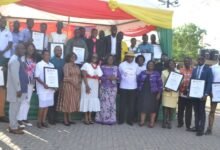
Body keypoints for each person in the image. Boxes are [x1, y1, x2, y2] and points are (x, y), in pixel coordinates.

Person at [7, 43, 28, 134]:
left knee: (16, 108)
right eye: (21, 49)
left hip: (20, 89)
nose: (24, 50)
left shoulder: (19, 59)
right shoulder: (14, 60)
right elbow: (15, 77)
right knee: (14, 108)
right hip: (16, 90)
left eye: (24, 48)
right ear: (16, 49)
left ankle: (14, 124)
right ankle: (13, 127)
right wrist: (18, 89)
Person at [190, 56, 212, 136]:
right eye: (198, 59)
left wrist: (206, 94)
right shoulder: (195, 69)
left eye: (202, 59)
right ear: (197, 60)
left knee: (201, 112)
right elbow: (192, 80)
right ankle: (196, 126)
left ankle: (201, 129)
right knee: (196, 111)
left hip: (202, 94)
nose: (200, 60)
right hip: (194, 94)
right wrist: (190, 92)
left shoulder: (208, 69)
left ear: (204, 60)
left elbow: (209, 82)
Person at [57, 53, 81, 126]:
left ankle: (70, 119)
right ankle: (65, 119)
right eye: (72, 57)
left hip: (75, 88)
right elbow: (66, 77)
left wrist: (79, 82)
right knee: (67, 102)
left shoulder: (77, 66)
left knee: (71, 103)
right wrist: (75, 84)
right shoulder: (66, 65)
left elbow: (79, 75)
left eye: (74, 57)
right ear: (69, 58)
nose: (73, 58)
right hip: (68, 86)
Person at [17, 43, 37, 128]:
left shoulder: (33, 60)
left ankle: (24, 118)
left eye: (32, 49)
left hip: (31, 83)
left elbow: (34, 71)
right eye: (29, 49)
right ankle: (18, 119)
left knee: (27, 101)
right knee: (21, 100)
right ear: (26, 49)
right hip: (23, 83)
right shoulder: (21, 59)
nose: (31, 50)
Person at [137, 60, 163, 128]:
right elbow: (138, 81)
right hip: (144, 93)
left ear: (154, 66)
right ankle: (142, 121)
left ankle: (152, 122)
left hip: (153, 93)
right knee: (143, 107)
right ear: (147, 65)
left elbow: (160, 84)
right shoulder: (142, 73)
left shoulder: (156, 73)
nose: (150, 65)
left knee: (153, 108)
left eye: (152, 64)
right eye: (149, 64)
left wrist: (159, 93)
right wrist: (139, 90)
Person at [95, 55, 119, 125]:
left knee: (111, 103)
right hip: (104, 87)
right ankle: (102, 119)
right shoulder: (102, 67)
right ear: (106, 59)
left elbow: (119, 77)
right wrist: (108, 78)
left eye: (112, 59)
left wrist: (115, 78)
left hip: (113, 88)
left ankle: (111, 119)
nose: (110, 60)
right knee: (103, 103)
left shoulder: (116, 68)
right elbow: (99, 77)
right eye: (109, 59)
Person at [80, 53, 103, 125]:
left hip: (95, 86)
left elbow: (99, 76)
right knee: (86, 99)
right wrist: (87, 86)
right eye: (93, 56)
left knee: (92, 100)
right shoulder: (86, 65)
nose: (94, 58)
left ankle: (90, 117)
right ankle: (85, 117)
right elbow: (84, 75)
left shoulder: (98, 66)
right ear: (90, 57)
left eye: (96, 57)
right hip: (87, 84)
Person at [35, 50, 56, 128]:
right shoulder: (39, 64)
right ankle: (39, 121)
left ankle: (43, 121)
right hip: (42, 89)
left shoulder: (52, 65)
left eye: (48, 55)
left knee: (47, 106)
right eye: (46, 55)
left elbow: (54, 77)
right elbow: (36, 77)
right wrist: (43, 84)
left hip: (50, 89)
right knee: (42, 106)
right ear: (42, 56)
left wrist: (54, 85)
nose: (47, 56)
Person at [118, 51, 138, 126]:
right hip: (123, 87)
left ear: (133, 58)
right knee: (122, 104)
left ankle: (130, 120)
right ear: (126, 57)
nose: (130, 58)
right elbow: (119, 75)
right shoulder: (121, 65)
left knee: (131, 105)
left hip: (133, 87)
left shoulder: (136, 65)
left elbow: (137, 75)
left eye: (131, 57)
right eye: (128, 56)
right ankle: (121, 120)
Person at [47, 46, 65, 125]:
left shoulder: (63, 61)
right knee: (51, 102)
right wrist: (53, 85)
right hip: (52, 85)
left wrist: (61, 83)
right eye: (58, 50)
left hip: (60, 84)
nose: (59, 52)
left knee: (57, 102)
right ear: (54, 51)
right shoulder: (51, 61)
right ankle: (51, 119)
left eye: (61, 50)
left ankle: (55, 118)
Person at [0, 17, 13, 119]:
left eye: (4, 22)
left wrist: (3, 51)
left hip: (4, 59)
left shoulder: (9, 32)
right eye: (1, 21)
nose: (3, 23)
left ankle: (2, 113)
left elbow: (10, 44)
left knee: (3, 86)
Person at [162, 59, 179, 129]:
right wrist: (164, 88)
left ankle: (169, 121)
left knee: (171, 108)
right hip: (166, 93)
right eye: (170, 64)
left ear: (175, 65)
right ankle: (164, 121)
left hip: (174, 93)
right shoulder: (164, 72)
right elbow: (161, 83)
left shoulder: (178, 72)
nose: (171, 65)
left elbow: (180, 82)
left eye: (172, 64)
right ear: (167, 64)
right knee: (165, 107)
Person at [205, 56, 220, 135]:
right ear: (218, 59)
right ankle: (209, 128)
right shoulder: (213, 68)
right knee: (212, 111)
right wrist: (210, 91)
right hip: (215, 92)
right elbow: (210, 80)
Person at [177, 57, 193, 130]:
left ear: (190, 62)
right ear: (184, 62)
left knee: (189, 110)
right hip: (182, 93)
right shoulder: (180, 70)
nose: (187, 63)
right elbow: (177, 81)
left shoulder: (194, 71)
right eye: (185, 61)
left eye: (188, 61)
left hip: (190, 94)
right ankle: (180, 123)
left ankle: (188, 125)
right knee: (180, 109)